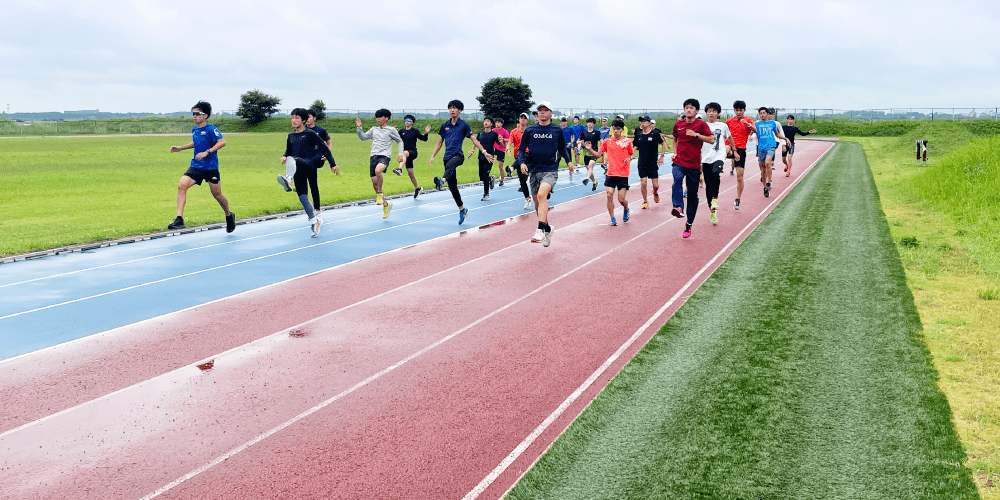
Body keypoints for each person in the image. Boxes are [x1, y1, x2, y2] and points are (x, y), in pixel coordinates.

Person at [167, 100, 235, 233]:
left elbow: (222, 142)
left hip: (210, 167)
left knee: (217, 195)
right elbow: (195, 142)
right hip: (196, 166)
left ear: (205, 115)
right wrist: (180, 148)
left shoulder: (211, 129)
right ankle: (179, 219)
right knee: (182, 185)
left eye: (198, 114)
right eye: (193, 114)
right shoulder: (195, 130)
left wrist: (207, 152)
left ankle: (229, 215)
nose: (195, 116)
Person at [428, 99, 494, 224]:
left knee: (451, 164)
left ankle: (442, 180)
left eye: (455, 108)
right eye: (450, 108)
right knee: (452, 187)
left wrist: (484, 152)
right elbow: (440, 142)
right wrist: (432, 156)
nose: (452, 110)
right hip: (446, 157)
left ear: (460, 110)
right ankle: (462, 209)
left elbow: (474, 140)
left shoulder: (464, 125)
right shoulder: (445, 125)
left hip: (458, 155)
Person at [280, 108, 339, 237]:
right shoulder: (290, 136)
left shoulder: (310, 134)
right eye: (292, 117)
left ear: (303, 120)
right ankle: (315, 221)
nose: (293, 120)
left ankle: (288, 179)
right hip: (297, 169)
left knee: (294, 159)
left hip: (309, 165)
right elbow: (289, 151)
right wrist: (284, 156)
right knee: (302, 197)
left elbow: (325, 149)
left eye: (297, 118)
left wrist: (333, 164)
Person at [518, 101, 569, 247]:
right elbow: (521, 148)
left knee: (542, 195)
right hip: (534, 170)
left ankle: (539, 230)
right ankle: (547, 228)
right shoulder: (530, 130)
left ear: (551, 113)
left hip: (550, 170)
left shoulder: (557, 130)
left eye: (545, 110)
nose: (542, 112)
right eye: (540, 110)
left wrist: (569, 161)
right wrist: (522, 162)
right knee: (537, 205)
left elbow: (562, 148)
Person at [671, 99, 714, 238]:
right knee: (677, 179)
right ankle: (678, 207)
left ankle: (689, 224)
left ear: (696, 111)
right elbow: (675, 138)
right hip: (679, 162)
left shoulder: (701, 124)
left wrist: (696, 135)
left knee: (692, 195)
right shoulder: (678, 124)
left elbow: (711, 139)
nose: (688, 110)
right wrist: (675, 152)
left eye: (691, 108)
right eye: (686, 108)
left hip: (694, 165)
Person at [356, 109, 405, 219]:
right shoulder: (374, 129)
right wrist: (359, 128)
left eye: (380, 117)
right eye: (377, 117)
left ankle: (380, 193)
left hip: (384, 156)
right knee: (374, 183)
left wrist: (400, 154)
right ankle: (386, 205)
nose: (378, 119)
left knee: (378, 171)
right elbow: (363, 138)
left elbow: (400, 141)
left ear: (386, 118)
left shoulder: (391, 130)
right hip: (373, 157)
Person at [583, 118, 633, 226]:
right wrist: (590, 149)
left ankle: (626, 207)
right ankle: (612, 218)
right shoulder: (607, 141)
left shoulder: (627, 142)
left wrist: (630, 158)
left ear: (622, 129)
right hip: (611, 173)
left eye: (618, 129)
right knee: (609, 194)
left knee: (621, 199)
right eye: (614, 129)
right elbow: (598, 154)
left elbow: (631, 154)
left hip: (623, 173)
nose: (615, 131)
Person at [701, 102, 732, 226]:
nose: (711, 113)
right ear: (706, 113)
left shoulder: (723, 126)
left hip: (718, 156)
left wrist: (734, 151)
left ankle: (715, 199)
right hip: (705, 158)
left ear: (718, 113)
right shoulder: (702, 126)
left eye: (714, 111)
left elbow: (730, 138)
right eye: (709, 111)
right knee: (708, 185)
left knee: (715, 173)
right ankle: (712, 210)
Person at [754, 107, 792, 198]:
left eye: (764, 113)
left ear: (767, 114)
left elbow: (777, 134)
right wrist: (749, 136)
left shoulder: (772, 123)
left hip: (771, 146)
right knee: (762, 170)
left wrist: (785, 138)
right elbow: (751, 132)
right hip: (761, 148)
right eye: (760, 113)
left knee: (768, 162)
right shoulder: (756, 124)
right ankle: (765, 187)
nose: (762, 115)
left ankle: (769, 181)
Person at [632, 115, 668, 209]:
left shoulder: (655, 134)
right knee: (643, 182)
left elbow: (663, 144)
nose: (642, 123)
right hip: (642, 162)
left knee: (656, 185)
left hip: (652, 163)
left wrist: (662, 156)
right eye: (641, 121)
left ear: (649, 123)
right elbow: (635, 145)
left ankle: (655, 192)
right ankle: (645, 201)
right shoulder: (639, 134)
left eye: (644, 121)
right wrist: (632, 153)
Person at [396, 114, 431, 198]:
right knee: (410, 173)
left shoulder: (414, 131)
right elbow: (396, 138)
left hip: (413, 152)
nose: (407, 122)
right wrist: (393, 131)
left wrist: (426, 133)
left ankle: (400, 169)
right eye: (406, 120)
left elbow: (424, 139)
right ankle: (417, 188)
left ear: (412, 123)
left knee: (404, 153)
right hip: (405, 155)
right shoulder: (401, 131)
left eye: (409, 121)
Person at [468, 117, 499, 200]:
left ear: (491, 124)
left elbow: (500, 144)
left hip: (490, 157)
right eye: (485, 121)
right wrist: (472, 150)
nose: (486, 122)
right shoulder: (480, 133)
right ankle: (491, 179)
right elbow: (476, 142)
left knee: (485, 175)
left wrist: (501, 141)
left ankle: (486, 194)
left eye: (488, 121)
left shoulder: (494, 134)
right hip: (481, 156)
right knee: (481, 176)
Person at [508, 112, 533, 210]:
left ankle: (511, 168)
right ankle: (527, 198)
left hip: (529, 156)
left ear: (527, 120)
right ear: (519, 120)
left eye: (524, 118)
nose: (522, 120)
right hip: (518, 159)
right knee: (522, 181)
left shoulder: (530, 131)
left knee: (523, 154)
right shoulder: (514, 131)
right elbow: (510, 141)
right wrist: (508, 148)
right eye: (521, 118)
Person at [578, 117, 602, 190]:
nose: (590, 124)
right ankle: (594, 182)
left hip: (594, 153)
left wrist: (601, 149)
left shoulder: (596, 133)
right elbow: (578, 140)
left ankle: (587, 178)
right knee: (589, 169)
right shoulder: (584, 133)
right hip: (586, 154)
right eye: (589, 122)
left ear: (593, 124)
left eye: (591, 122)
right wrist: (579, 144)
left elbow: (601, 141)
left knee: (590, 165)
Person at [492, 117, 509, 185]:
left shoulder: (504, 131)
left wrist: (502, 139)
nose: (497, 124)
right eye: (496, 122)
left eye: (499, 122)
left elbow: (509, 140)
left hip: (501, 149)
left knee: (500, 166)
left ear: (502, 124)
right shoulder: (493, 130)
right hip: (493, 148)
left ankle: (501, 180)